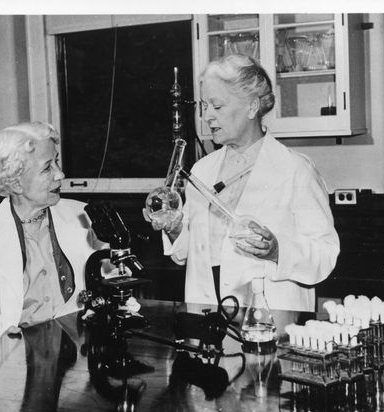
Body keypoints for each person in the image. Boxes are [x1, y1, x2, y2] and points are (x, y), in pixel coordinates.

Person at [145, 54, 339, 313]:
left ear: (251, 107)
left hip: (269, 316)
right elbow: (187, 253)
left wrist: (277, 251)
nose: (206, 117)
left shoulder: (296, 170)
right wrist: (173, 227)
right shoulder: (202, 170)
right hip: (206, 311)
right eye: (204, 107)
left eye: (217, 106)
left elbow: (325, 255)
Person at [0, 122, 104, 350]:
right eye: (47, 168)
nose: (60, 174)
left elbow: (113, 279)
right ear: (15, 181)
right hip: (15, 363)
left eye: (57, 161)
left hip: (79, 359)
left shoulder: (83, 216)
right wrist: (2, 337)